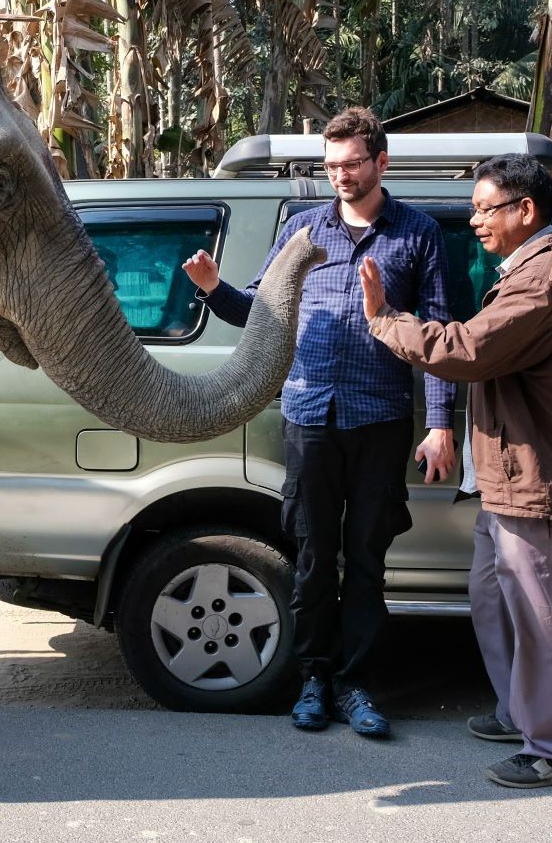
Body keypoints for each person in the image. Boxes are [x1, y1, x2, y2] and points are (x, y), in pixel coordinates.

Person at [183, 107, 455, 738]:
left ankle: (356, 684)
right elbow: (260, 313)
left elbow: (439, 337)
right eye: (331, 166)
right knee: (310, 556)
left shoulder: (417, 235)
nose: (340, 176)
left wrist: (439, 424)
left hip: (381, 418)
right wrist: (213, 288)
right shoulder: (304, 232)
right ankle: (312, 678)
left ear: (381, 162)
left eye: (352, 164)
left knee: (365, 558)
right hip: (308, 416)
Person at [359, 153, 552, 788]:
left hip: (533, 473)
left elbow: (469, 349)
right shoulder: (533, 272)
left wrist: (385, 320)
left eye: (484, 208)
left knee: (540, 613)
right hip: (504, 473)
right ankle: (520, 712)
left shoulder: (547, 281)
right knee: (491, 594)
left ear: (525, 210)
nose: (474, 220)